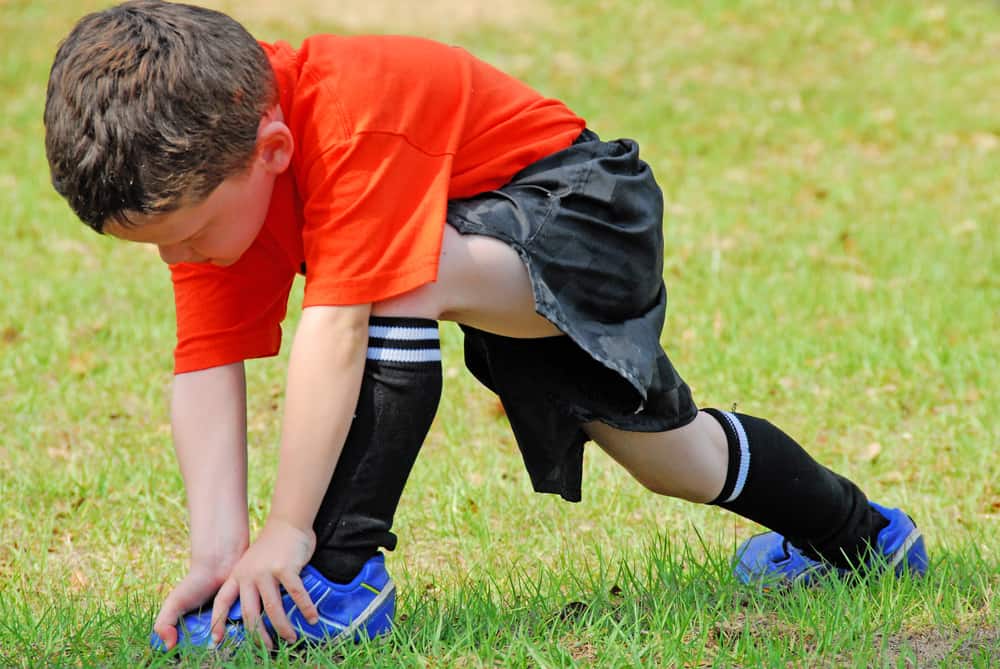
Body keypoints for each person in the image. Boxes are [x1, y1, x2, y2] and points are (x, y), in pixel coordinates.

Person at [43, 0, 928, 652]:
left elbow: (339, 330)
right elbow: (206, 360)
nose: (182, 258)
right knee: (674, 458)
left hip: (584, 214)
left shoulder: (350, 112)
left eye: (191, 235)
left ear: (272, 150)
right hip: (485, 252)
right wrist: (218, 549)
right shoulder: (214, 159)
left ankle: (339, 582)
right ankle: (865, 537)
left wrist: (290, 533)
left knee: (402, 272)